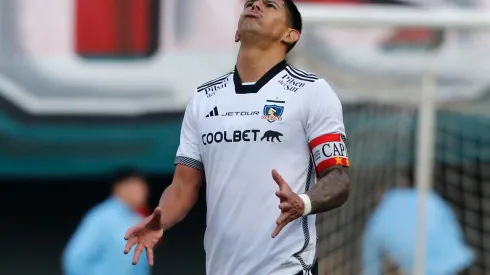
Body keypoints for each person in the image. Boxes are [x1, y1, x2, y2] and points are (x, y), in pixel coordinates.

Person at [123, 1, 350, 274]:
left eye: (269, 5)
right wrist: (160, 220)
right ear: (236, 33)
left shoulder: (312, 92)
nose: (255, 5)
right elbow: (183, 187)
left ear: (290, 35)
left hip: (287, 269)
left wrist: (304, 203)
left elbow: (338, 179)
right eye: (250, 3)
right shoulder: (203, 98)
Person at [362, 173, 474, 275]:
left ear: (379, 194)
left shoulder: (376, 222)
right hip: (459, 259)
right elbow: (451, 223)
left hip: (426, 269)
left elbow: (371, 266)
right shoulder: (429, 198)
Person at [63, 168, 150, 275]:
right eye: (137, 186)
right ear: (120, 187)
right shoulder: (102, 217)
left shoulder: (138, 220)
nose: (144, 191)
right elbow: (75, 260)